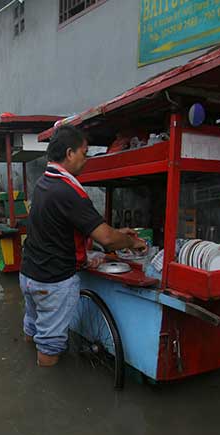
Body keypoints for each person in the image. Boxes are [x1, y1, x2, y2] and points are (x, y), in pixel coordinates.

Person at [20, 125, 147, 367]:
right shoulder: (68, 190)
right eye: (84, 153)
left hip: (29, 275)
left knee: (33, 327)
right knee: (49, 345)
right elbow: (106, 239)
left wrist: (116, 232)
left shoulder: (44, 183)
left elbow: (62, 228)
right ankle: (45, 389)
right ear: (70, 153)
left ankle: (27, 369)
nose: (86, 159)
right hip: (52, 282)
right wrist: (133, 242)